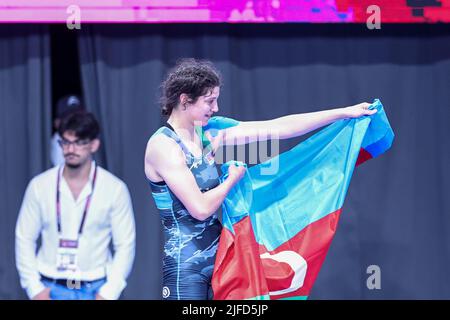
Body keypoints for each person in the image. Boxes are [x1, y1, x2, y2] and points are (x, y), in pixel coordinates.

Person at [144, 58, 376, 300]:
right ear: (184, 100)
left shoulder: (209, 134)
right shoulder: (163, 146)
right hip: (186, 267)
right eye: (209, 101)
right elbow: (200, 209)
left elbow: (278, 128)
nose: (215, 108)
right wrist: (232, 180)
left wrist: (343, 113)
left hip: (223, 260)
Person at [16, 111, 136, 300]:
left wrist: (108, 293)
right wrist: (35, 289)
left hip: (96, 288)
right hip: (49, 286)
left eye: (79, 142)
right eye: (66, 142)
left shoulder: (114, 189)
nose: (71, 149)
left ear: (94, 144)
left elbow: (125, 245)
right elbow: (24, 238)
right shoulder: (40, 186)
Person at [51, 95, 84, 166]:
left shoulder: (87, 140)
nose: (74, 122)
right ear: (57, 123)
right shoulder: (56, 143)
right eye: (68, 118)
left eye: (78, 117)